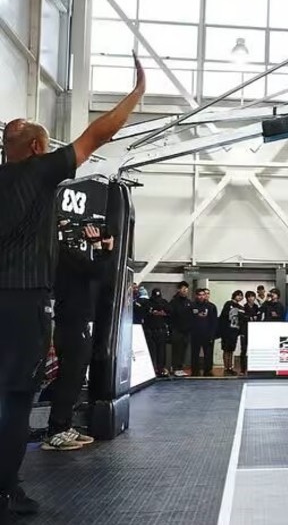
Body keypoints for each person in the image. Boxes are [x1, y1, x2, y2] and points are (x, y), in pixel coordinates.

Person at [0, 53, 144, 523]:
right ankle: (5, 489)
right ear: (39, 147)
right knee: (17, 395)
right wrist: (136, 94)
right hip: (22, 299)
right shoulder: (39, 172)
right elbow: (99, 134)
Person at [42, 225, 115, 451]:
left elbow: (94, 275)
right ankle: (56, 429)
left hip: (75, 322)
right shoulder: (65, 255)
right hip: (72, 323)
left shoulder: (68, 256)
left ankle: (64, 425)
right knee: (70, 377)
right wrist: (103, 249)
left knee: (74, 377)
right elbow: (99, 273)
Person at [145, 288, 171, 377]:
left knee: (161, 351)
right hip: (151, 330)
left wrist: (161, 312)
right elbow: (146, 313)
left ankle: (160, 369)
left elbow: (169, 312)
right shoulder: (148, 302)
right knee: (152, 351)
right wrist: (155, 312)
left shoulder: (164, 302)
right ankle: (152, 369)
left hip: (160, 330)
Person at [218, 290, 244, 376]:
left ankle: (230, 367)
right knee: (226, 349)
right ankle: (226, 367)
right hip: (226, 330)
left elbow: (241, 319)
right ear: (234, 296)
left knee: (231, 350)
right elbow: (223, 316)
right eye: (238, 295)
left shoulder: (241, 307)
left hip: (235, 331)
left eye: (241, 296)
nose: (239, 297)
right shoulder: (228, 304)